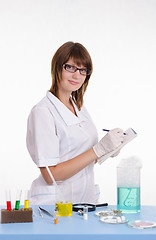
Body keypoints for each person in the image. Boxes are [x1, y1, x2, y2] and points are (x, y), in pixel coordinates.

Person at [26, 41, 124, 205]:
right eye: (70, 67)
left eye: (82, 70)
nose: (76, 75)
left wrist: (107, 149)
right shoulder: (43, 112)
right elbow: (51, 175)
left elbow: (81, 156)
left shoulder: (78, 107)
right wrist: (98, 150)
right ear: (57, 68)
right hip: (53, 206)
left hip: (82, 202)